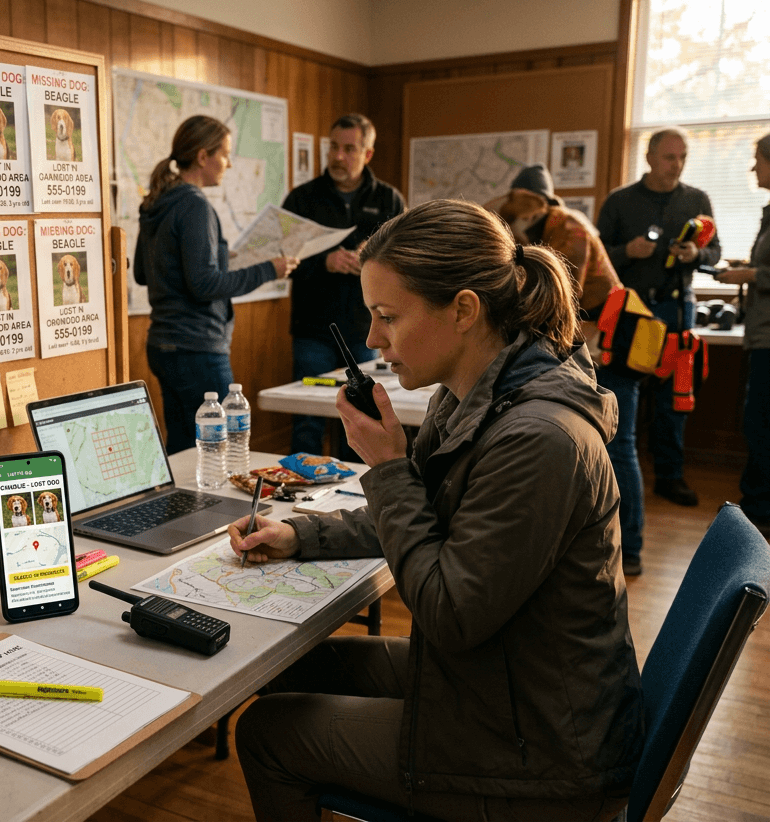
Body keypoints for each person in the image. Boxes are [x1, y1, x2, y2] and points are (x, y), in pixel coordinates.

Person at [228, 200, 643, 822]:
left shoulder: (539, 439)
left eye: (388, 317)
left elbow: (449, 613)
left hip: (544, 755)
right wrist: (297, 532)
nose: (372, 339)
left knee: (269, 732)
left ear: (465, 309)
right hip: (505, 685)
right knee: (300, 663)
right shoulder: (474, 390)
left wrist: (388, 466)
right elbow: (428, 508)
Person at [484, 165, 645, 574]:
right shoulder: (547, 226)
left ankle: (634, 548)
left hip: (609, 343)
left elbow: (555, 295)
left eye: (519, 212)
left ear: (537, 205)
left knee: (618, 444)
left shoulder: (569, 230)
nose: (514, 218)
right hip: (589, 340)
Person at [134, 115, 296, 454]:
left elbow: (143, 273)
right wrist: (270, 269)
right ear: (204, 157)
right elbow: (204, 285)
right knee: (221, 447)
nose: (229, 163)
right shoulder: (194, 205)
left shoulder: (156, 201)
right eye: (224, 154)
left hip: (163, 345)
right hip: (198, 347)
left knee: (182, 446)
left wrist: (218, 256)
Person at [596, 127, 721, 509]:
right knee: (623, 397)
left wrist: (695, 256)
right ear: (649, 157)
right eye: (670, 157)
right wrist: (626, 251)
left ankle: (669, 476)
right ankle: (616, 475)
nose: (677, 165)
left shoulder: (698, 200)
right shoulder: (620, 201)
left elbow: (715, 253)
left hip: (676, 309)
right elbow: (597, 260)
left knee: (675, 398)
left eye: (683, 157)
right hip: (631, 313)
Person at [283, 114, 405, 457]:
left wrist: (373, 257)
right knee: (307, 422)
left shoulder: (389, 200)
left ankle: (354, 501)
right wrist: (324, 262)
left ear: (367, 154)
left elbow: (404, 263)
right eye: (333, 147)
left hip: (366, 330)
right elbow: (281, 262)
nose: (338, 156)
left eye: (349, 149)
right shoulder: (302, 199)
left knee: (361, 419)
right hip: (312, 331)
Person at [716, 133, 770, 534]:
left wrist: (749, 274)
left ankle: (758, 512)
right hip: (761, 334)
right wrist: (744, 264)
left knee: (760, 421)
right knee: (758, 421)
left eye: (758, 160)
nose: (753, 168)